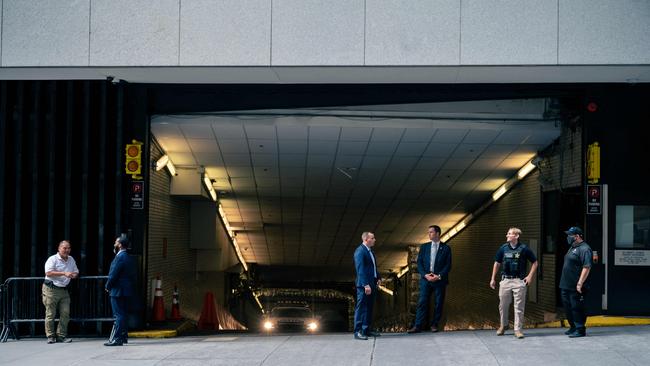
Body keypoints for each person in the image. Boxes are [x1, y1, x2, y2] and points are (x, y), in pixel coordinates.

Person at [489, 227, 538, 339]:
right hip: (505, 280)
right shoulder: (503, 248)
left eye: (509, 234)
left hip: (519, 281)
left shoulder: (524, 249)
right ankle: (503, 325)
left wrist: (530, 276)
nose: (507, 235)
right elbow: (497, 263)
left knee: (519, 306)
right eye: (507, 233)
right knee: (503, 305)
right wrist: (492, 278)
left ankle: (518, 329)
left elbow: (535, 262)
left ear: (516, 236)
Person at [408, 225, 452, 333]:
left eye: (431, 232)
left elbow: (448, 265)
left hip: (439, 280)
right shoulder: (424, 247)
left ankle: (434, 325)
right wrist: (424, 275)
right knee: (422, 301)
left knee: (438, 302)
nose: (429, 234)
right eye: (428, 232)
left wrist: (439, 276)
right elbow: (419, 263)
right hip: (426, 279)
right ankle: (417, 325)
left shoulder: (446, 248)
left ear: (437, 234)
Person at [42, 240, 79, 343]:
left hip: (64, 289)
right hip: (51, 289)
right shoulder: (52, 259)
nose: (67, 250)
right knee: (50, 313)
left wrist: (74, 275)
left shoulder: (71, 259)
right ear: (59, 248)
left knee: (65, 313)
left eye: (69, 248)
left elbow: (76, 271)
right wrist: (64, 273)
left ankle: (61, 336)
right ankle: (50, 336)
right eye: (64, 248)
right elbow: (48, 273)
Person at [559, 226, 592, 338]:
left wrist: (580, 283)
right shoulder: (572, 247)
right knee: (568, 308)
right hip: (566, 284)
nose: (568, 237)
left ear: (577, 236)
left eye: (570, 235)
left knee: (576, 307)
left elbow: (586, 267)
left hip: (576, 285)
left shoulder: (585, 249)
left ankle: (580, 329)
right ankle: (573, 327)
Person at [104, 235, 136, 346]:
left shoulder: (120, 257)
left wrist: (107, 286)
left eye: (116, 242)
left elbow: (113, 275)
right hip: (126, 290)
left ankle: (117, 338)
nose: (114, 244)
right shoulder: (128, 257)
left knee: (118, 315)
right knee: (124, 314)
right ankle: (123, 337)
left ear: (120, 245)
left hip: (118, 290)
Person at [353, 232, 381, 340]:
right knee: (361, 308)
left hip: (372, 283)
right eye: (372, 238)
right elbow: (360, 270)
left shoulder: (370, 252)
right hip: (364, 285)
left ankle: (366, 330)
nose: (375, 240)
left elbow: (373, 268)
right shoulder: (360, 251)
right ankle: (358, 331)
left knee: (369, 307)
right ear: (366, 239)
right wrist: (365, 285)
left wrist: (378, 278)